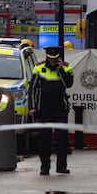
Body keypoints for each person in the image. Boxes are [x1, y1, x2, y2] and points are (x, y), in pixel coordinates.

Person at [30, 45, 74, 175]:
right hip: (44, 109)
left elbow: (69, 84)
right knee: (44, 140)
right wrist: (32, 107)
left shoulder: (66, 68)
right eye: (50, 58)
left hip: (60, 109)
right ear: (47, 57)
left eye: (55, 58)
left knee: (62, 140)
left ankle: (61, 166)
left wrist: (60, 70)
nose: (53, 61)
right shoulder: (39, 68)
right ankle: (45, 166)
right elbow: (32, 89)